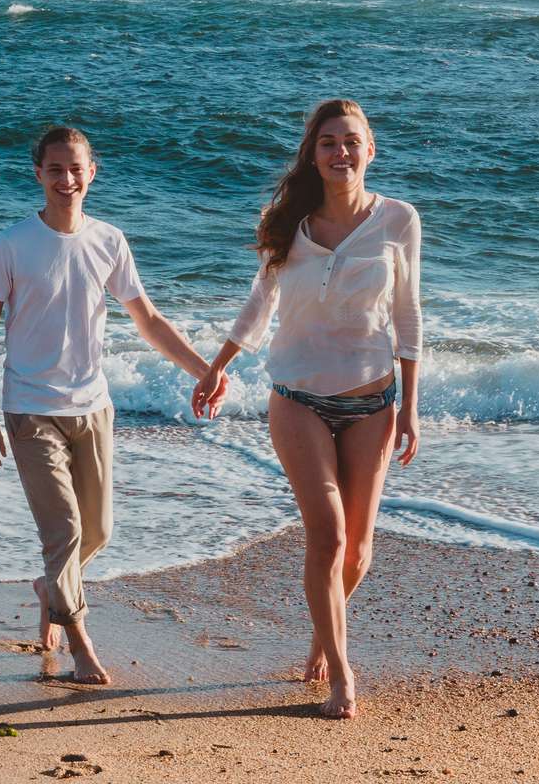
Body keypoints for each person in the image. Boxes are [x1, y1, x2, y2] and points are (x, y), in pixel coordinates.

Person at [192, 99, 421, 718]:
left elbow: (407, 316)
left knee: (359, 553)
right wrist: (216, 367)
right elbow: (257, 309)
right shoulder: (286, 223)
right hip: (296, 398)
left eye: (351, 141)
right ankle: (341, 677)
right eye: (328, 143)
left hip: (372, 400)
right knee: (328, 536)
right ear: (313, 154)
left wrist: (410, 407)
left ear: (370, 149)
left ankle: (325, 631)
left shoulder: (399, 220)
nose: (340, 152)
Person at [0, 126, 216, 685]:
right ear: (38, 175)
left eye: (75, 168)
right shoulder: (11, 244)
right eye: (54, 169)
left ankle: (49, 588)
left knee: (97, 531)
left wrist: (205, 371)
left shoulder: (109, 240)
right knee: (63, 535)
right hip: (30, 408)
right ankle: (81, 646)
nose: (66, 179)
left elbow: (148, 320)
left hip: (94, 406)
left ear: (91, 173)